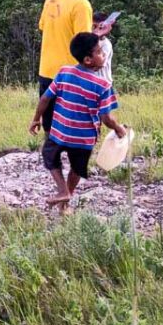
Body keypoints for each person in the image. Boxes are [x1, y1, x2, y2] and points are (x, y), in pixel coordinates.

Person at [29, 33, 127, 215]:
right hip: (84, 139)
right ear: (88, 59)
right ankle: (67, 197)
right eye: (99, 52)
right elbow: (107, 119)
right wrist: (119, 129)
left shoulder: (64, 72)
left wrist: (36, 119)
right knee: (77, 168)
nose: (103, 55)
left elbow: (45, 98)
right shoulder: (103, 85)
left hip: (59, 132)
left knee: (50, 156)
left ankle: (62, 191)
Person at [37, 0, 112, 132]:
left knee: (50, 128)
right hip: (70, 76)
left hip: (47, 71)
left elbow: (43, 27)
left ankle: (50, 160)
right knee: (80, 128)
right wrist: (99, 35)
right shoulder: (81, 4)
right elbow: (84, 44)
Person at [92, 12, 115, 84]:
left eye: (98, 27)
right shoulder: (88, 40)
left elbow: (97, 66)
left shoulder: (106, 44)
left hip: (103, 84)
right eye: (93, 27)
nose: (95, 30)